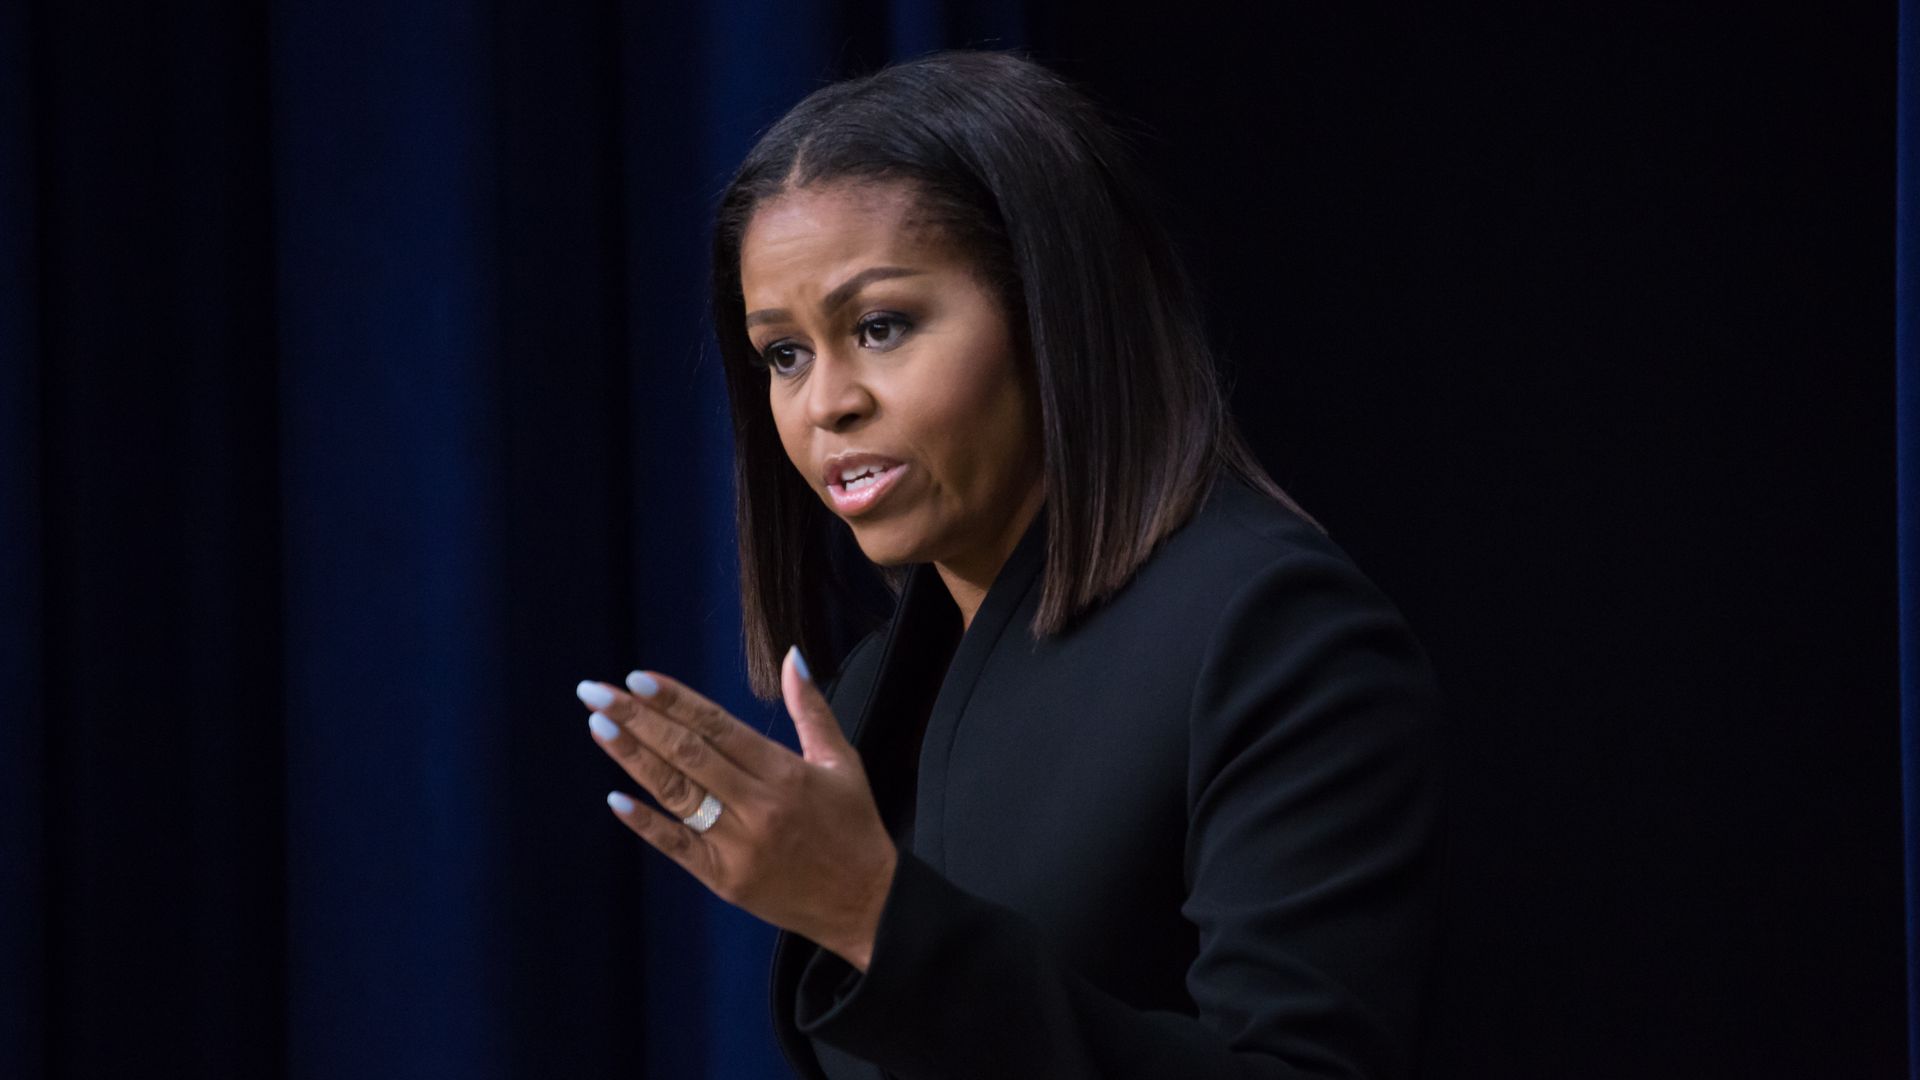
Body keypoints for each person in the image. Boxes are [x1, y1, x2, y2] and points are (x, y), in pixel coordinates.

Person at [575, 49, 1445, 1079]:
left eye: (881, 326)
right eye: (784, 354)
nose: (824, 405)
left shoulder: (1276, 633)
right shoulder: (873, 686)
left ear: (1053, 315)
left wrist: (871, 915)